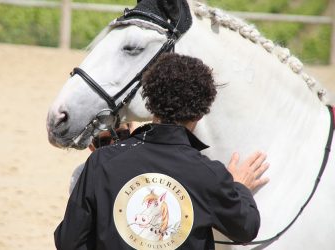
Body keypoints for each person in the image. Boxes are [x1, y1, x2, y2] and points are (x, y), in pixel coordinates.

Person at [55, 53, 269, 249]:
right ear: (201, 114)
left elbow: (68, 241)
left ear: (150, 104)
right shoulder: (209, 174)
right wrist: (239, 188)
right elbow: (246, 229)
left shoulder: (102, 161)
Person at [69, 123, 134, 194]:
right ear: (92, 147)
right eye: (104, 141)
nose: (115, 144)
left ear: (132, 130)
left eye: (121, 134)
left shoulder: (146, 159)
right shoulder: (83, 176)